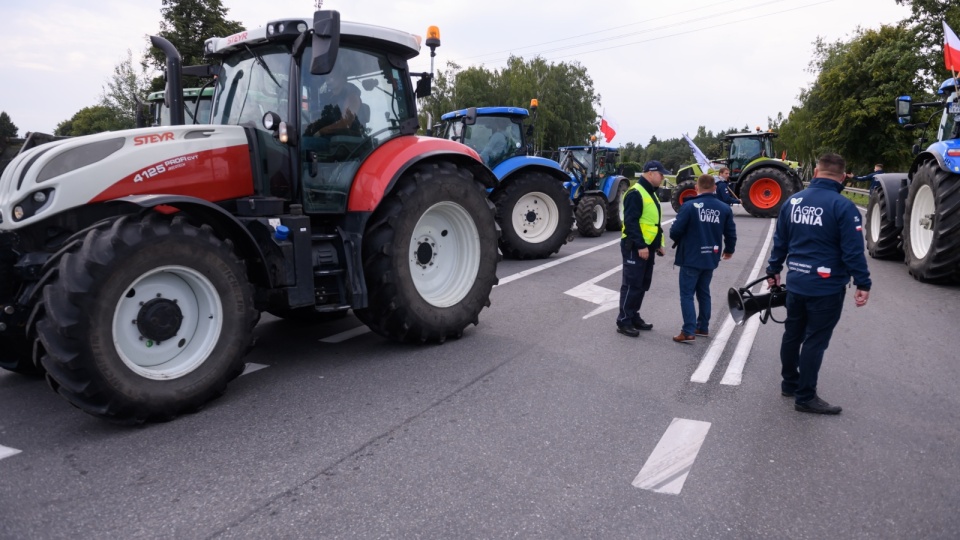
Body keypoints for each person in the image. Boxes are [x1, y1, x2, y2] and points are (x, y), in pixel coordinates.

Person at [765, 153, 871, 415]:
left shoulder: (793, 201)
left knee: (792, 334)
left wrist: (773, 270)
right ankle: (805, 396)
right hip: (826, 288)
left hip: (797, 282)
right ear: (843, 176)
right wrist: (863, 283)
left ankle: (790, 384)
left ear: (815, 172)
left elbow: (781, 241)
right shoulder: (843, 207)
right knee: (815, 341)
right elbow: (853, 252)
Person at [669, 174, 737, 343]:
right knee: (704, 292)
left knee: (687, 295)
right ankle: (703, 327)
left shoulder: (690, 206)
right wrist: (729, 250)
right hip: (710, 257)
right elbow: (730, 233)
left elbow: (675, 231)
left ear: (696, 189)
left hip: (691, 256)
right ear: (714, 188)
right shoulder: (724, 208)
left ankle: (688, 330)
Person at [616, 160, 669, 337]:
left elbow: (653, 222)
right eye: (661, 174)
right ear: (650, 173)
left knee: (641, 285)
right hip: (635, 247)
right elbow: (630, 223)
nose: (663, 177)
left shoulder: (651, 192)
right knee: (632, 284)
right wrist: (641, 245)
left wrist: (659, 244)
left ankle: (633, 315)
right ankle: (624, 320)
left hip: (647, 247)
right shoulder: (635, 193)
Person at [306, 62, 363, 138]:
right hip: (332, 139)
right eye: (326, 78)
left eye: (331, 77)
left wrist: (322, 131)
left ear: (342, 76)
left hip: (347, 140)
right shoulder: (330, 99)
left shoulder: (352, 96)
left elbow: (346, 123)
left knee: (306, 142)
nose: (328, 81)